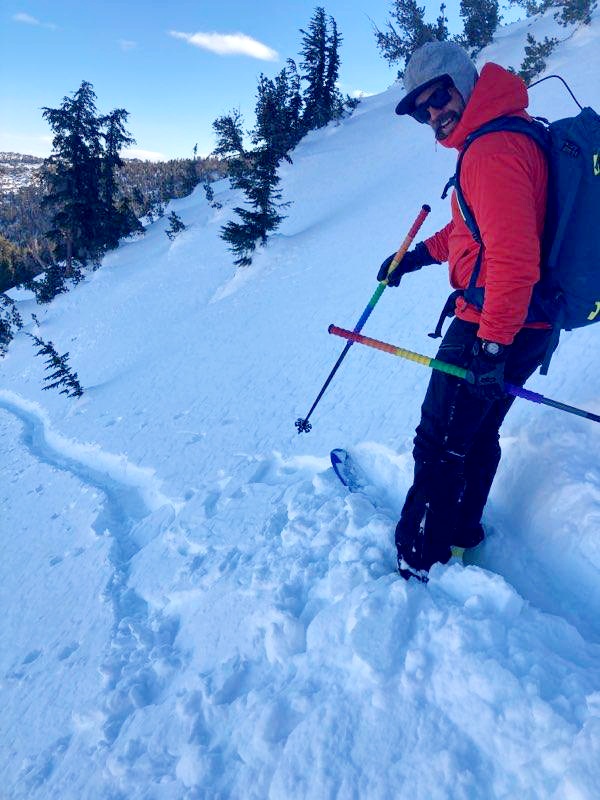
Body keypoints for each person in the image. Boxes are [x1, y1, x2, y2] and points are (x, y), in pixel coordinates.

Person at [379, 41, 553, 582]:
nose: (433, 114)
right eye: (420, 109)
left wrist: (491, 344)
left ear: (463, 82)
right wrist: (415, 258)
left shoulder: (492, 150)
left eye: (438, 97)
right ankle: (458, 535)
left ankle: (422, 553)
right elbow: (470, 231)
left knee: (440, 439)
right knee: (475, 432)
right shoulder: (497, 135)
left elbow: (514, 259)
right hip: (526, 324)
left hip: (495, 323)